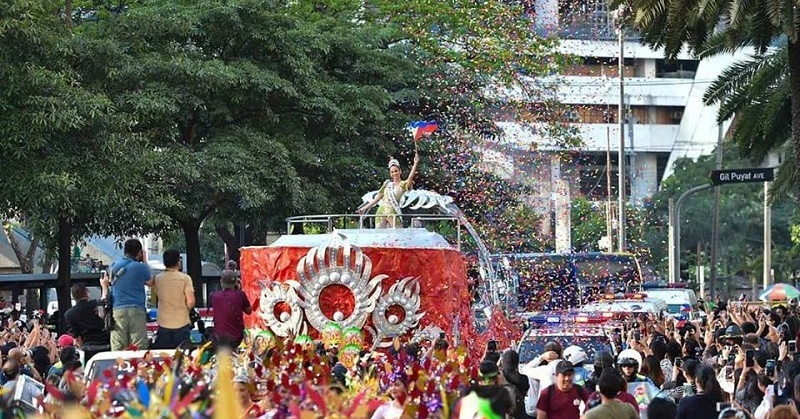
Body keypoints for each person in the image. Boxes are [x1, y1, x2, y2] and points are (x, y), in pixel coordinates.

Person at [109, 239, 153, 351]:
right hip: (136, 309)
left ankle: (118, 366)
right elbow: (150, 282)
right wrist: (145, 261)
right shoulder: (141, 267)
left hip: (118, 309)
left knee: (118, 345)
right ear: (139, 253)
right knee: (138, 346)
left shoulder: (113, 266)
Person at [357, 152, 420, 228]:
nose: (394, 173)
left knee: (397, 236)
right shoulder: (387, 184)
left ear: (400, 171)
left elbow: (410, 178)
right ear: (390, 174)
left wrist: (415, 164)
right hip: (381, 212)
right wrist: (364, 208)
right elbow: (377, 199)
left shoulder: (403, 184)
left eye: (396, 171)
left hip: (393, 212)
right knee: (380, 237)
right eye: (392, 172)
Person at [151, 249, 195, 349]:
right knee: (182, 357)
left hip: (163, 323)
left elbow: (154, 299)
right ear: (178, 261)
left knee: (164, 357)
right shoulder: (185, 278)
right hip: (181, 322)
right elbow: (191, 301)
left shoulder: (157, 279)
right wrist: (185, 310)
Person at [64, 282, 110, 360]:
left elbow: (77, 337)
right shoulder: (96, 304)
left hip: (88, 348)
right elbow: (105, 302)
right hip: (105, 344)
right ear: (86, 293)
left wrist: (82, 348)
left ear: (73, 296)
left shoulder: (69, 314)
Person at [211, 270, 252, 348]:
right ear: (236, 282)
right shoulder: (240, 295)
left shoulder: (214, 296)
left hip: (219, 337)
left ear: (221, 281)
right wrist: (239, 289)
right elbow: (249, 311)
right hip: (236, 338)